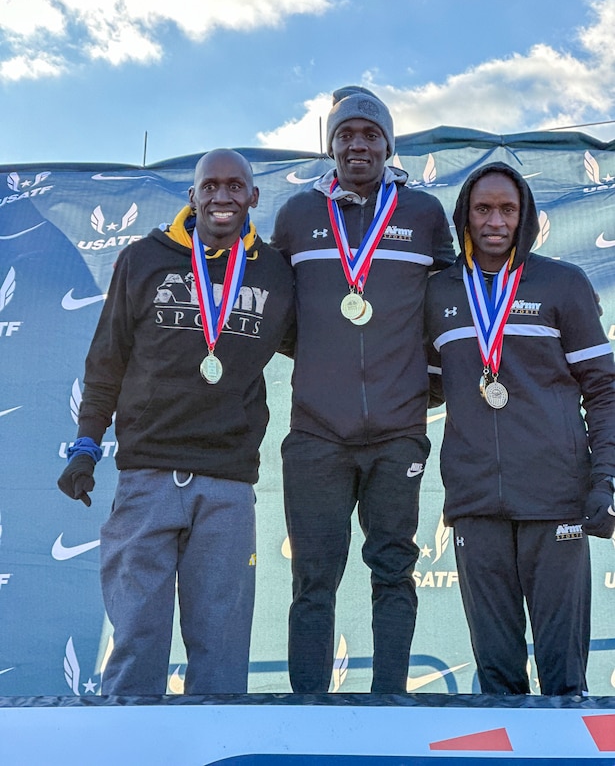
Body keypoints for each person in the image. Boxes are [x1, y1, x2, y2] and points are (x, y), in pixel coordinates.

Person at [58, 148, 295, 695]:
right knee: (138, 642)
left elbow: (322, 349)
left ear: (253, 197)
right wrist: (86, 444)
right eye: (210, 186)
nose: (222, 197)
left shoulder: (276, 274)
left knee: (221, 649)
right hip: (148, 479)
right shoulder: (144, 258)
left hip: (228, 485)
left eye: (235, 186)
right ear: (192, 195)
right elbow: (107, 360)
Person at [271, 85, 455, 693]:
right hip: (316, 432)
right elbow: (280, 316)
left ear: (387, 145)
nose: (357, 143)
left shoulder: (424, 214)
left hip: (398, 434)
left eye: (370, 134)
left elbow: (449, 310)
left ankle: (391, 701)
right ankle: (307, 708)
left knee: (394, 572)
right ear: (331, 146)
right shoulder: (298, 215)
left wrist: (421, 379)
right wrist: (328, 359)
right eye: (345, 134)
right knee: (313, 581)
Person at [425, 161, 615, 696]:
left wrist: (605, 480)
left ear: (525, 216)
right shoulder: (438, 293)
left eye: (507, 209)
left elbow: (603, 390)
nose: (495, 221)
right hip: (475, 504)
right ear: (465, 214)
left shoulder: (563, 283)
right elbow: (429, 384)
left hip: (557, 500)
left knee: (563, 679)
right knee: (497, 677)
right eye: (483, 209)